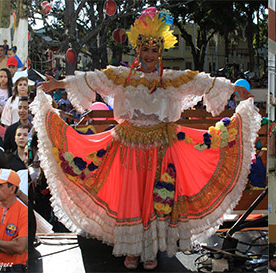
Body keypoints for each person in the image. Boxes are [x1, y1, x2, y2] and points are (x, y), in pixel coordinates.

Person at [34, 6, 257, 269]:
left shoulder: (173, 79)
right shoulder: (120, 77)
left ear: (160, 53)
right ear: (137, 50)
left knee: (156, 196)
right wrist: (55, 85)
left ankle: (150, 251)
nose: (149, 55)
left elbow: (204, 82)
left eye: (154, 50)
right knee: (130, 194)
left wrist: (235, 88)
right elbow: (91, 79)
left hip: (163, 146)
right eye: (145, 49)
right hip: (127, 144)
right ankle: (132, 249)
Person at [0, 169, 28, 271]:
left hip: (15, 268)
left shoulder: (24, 212)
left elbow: (19, 247)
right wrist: (8, 245)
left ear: (12, 189)